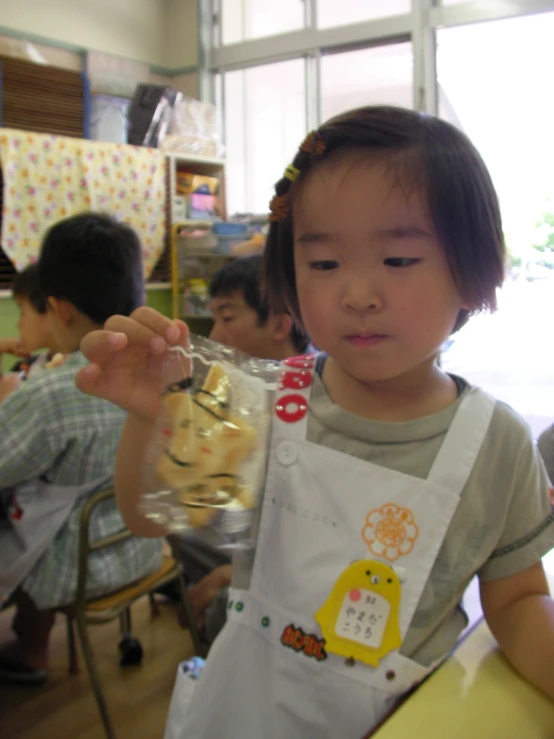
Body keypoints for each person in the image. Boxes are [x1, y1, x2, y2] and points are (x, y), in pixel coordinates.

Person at [76, 107, 554, 738]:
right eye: (324, 264)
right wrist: (150, 417)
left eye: (400, 259)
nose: (357, 293)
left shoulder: (497, 445)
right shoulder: (264, 400)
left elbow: (517, 600)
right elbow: (147, 514)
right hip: (240, 710)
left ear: (475, 271)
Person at [0, 213, 162, 685]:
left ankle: (32, 649)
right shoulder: (156, 373)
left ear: (58, 309)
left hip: (71, 565)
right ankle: (32, 646)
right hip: (142, 549)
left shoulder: (51, 393)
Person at [176, 254, 310, 644]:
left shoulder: (316, 399)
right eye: (214, 318)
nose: (215, 335)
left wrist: (239, 572)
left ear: (280, 324)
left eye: (228, 317)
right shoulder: (238, 390)